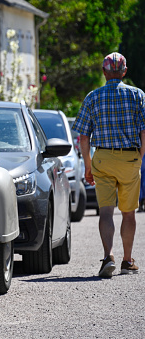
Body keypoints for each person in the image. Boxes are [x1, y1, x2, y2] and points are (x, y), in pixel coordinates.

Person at [73, 52, 145, 278]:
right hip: (129, 158)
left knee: (106, 210)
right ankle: (127, 260)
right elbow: (144, 131)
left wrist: (87, 164)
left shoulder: (93, 96)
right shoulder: (138, 95)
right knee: (129, 213)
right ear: (124, 72)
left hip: (102, 158)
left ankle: (108, 257)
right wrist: (140, 158)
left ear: (104, 72)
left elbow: (83, 136)